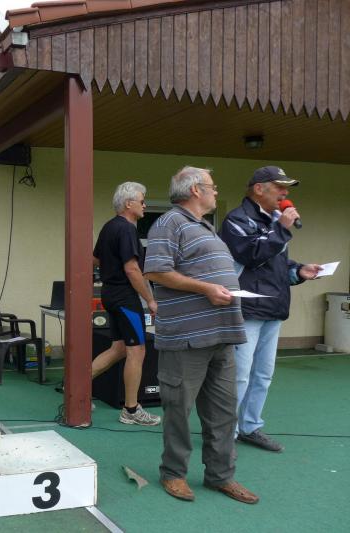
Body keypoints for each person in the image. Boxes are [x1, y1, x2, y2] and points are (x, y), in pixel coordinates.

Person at [144, 166, 258, 504]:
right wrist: (206, 288)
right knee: (178, 409)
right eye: (213, 186)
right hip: (187, 338)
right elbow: (156, 271)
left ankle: (220, 476)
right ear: (195, 189)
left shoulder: (205, 227)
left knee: (224, 412)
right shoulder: (169, 223)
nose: (216, 191)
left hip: (221, 336)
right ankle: (173, 473)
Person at [220, 166, 321, 452]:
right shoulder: (237, 220)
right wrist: (281, 229)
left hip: (273, 307)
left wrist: (299, 270)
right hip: (247, 309)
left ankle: (250, 427)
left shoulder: (276, 221)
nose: (285, 193)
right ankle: (225, 433)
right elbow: (251, 255)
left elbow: (275, 264)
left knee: (263, 374)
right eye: (280, 187)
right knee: (239, 375)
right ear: (259, 188)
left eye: (286, 188)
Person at [92, 182, 160, 426]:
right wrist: (150, 300)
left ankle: (75, 386)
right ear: (129, 204)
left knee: (119, 348)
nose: (144, 205)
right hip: (125, 298)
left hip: (110, 294)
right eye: (141, 201)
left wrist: (110, 272)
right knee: (137, 351)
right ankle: (131, 409)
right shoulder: (127, 229)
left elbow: (95, 259)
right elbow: (132, 269)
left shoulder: (109, 226)